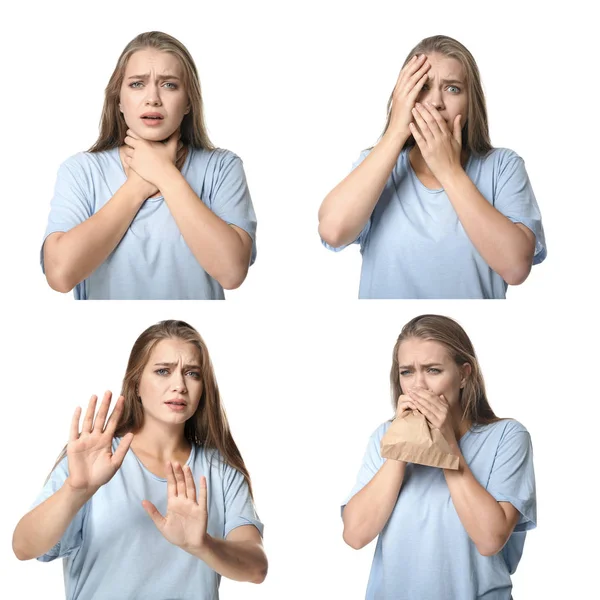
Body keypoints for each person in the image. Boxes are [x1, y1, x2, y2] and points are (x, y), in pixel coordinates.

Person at [12, 320, 267, 599]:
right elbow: (24, 547)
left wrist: (202, 544)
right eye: (162, 371)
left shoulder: (222, 470)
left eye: (192, 373)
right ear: (136, 384)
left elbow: (256, 568)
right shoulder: (96, 459)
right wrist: (76, 490)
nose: (179, 385)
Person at [318, 35, 546, 298]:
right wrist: (394, 132)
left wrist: (449, 171)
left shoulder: (503, 167)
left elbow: (516, 267)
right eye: (423, 87)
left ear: (471, 104)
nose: (436, 102)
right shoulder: (378, 165)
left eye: (452, 89)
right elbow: (333, 231)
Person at [41, 31, 257, 299]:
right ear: (118, 100)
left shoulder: (222, 168)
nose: (153, 98)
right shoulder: (81, 171)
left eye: (169, 85)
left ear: (189, 101)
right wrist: (139, 185)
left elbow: (232, 272)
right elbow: (60, 275)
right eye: (136, 84)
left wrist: (165, 175)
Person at [342, 315, 536, 599]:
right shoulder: (383, 436)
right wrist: (401, 446)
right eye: (407, 372)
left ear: (464, 374)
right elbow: (355, 535)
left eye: (433, 370)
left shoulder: (507, 436)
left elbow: (490, 540)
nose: (419, 386)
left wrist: (447, 446)